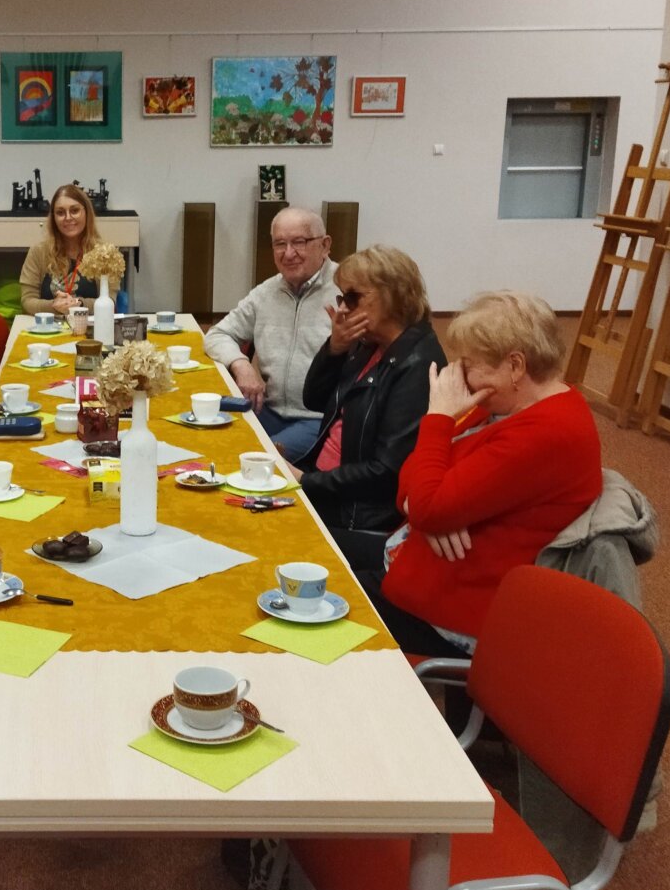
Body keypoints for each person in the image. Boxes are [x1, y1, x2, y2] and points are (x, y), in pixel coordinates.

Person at [362, 291, 603, 659]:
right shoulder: (506, 403)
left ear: (516, 366)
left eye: (469, 364)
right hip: (418, 562)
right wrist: (430, 508)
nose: (459, 376)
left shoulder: (547, 431)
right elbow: (411, 484)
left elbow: (426, 498)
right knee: (310, 548)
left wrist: (438, 418)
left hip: (450, 613)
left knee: (314, 589)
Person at [288, 246, 446, 570]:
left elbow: (386, 471)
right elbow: (314, 400)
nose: (343, 308)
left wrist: (303, 480)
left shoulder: (417, 365)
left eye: (353, 297)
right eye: (341, 298)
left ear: (392, 295)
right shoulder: (366, 343)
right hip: (326, 485)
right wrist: (334, 348)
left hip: (355, 511)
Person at [204, 206, 336, 460]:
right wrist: (241, 364)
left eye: (299, 242)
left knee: (256, 459)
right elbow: (217, 334)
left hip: (319, 420)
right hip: (268, 410)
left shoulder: (346, 289)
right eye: (280, 244)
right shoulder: (266, 292)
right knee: (211, 441)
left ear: (325, 245)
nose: (288, 253)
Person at [19, 184, 122, 316]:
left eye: (74, 211)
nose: (68, 218)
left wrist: (78, 304)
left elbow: (110, 302)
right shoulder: (38, 252)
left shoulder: (105, 254)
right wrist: (54, 306)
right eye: (60, 213)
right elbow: (27, 302)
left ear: (86, 213)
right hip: (48, 331)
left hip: (90, 332)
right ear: (54, 218)